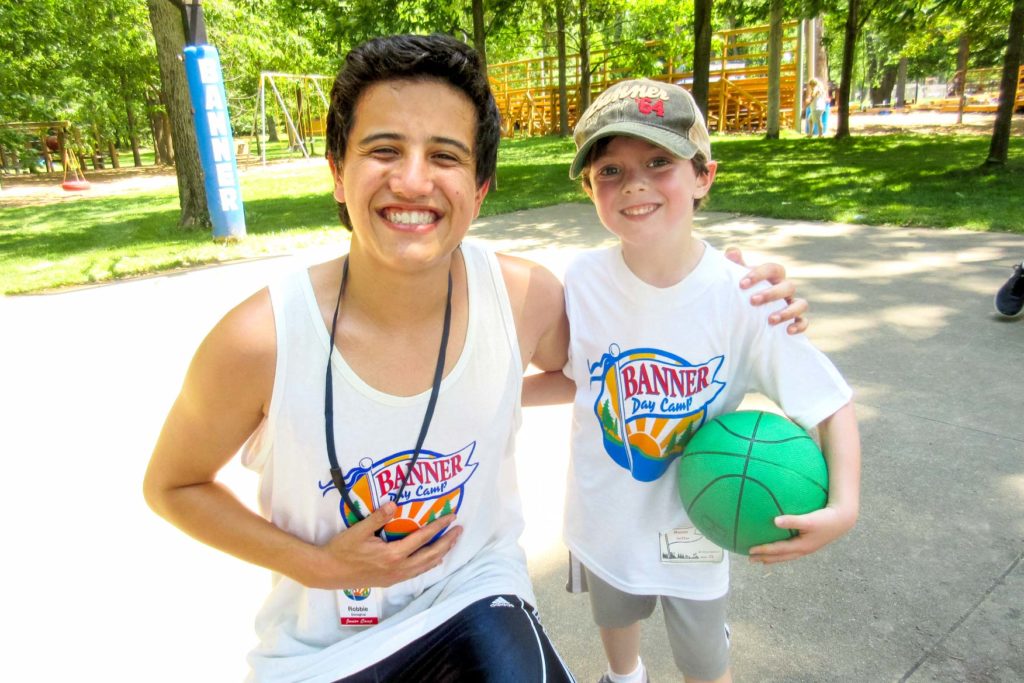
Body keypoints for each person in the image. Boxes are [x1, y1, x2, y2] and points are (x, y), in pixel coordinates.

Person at [143, 36, 806, 682]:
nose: (412, 180)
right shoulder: (261, 340)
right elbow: (173, 485)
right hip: (319, 644)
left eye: (445, 156)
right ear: (337, 173)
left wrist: (727, 283)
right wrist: (318, 565)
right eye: (383, 150)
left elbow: (636, 336)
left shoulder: (523, 299)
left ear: (481, 186)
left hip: (475, 592)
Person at [524, 79, 861, 683]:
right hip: (605, 514)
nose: (634, 183)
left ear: (703, 176)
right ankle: (623, 675)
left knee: (704, 661)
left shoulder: (746, 298)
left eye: (660, 162)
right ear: (588, 187)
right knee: (615, 614)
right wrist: (492, 396)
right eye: (610, 169)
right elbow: (576, 381)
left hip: (696, 521)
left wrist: (844, 507)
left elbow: (829, 404)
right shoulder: (582, 280)